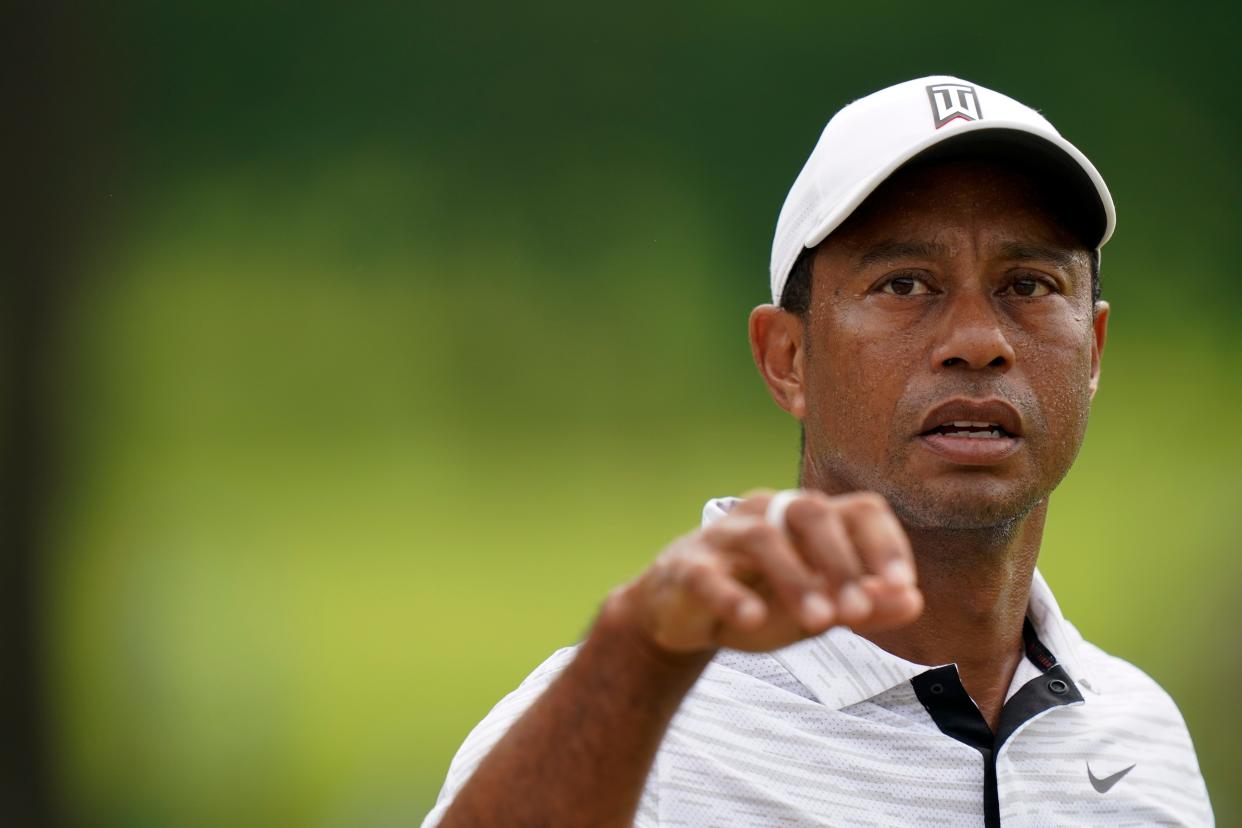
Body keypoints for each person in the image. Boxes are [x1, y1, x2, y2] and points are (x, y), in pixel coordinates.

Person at [421, 76, 1213, 827]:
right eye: (905, 284)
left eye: (1030, 284)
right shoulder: (625, 728)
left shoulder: (1139, 737)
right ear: (786, 359)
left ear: (1095, 350)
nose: (978, 341)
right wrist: (637, 652)